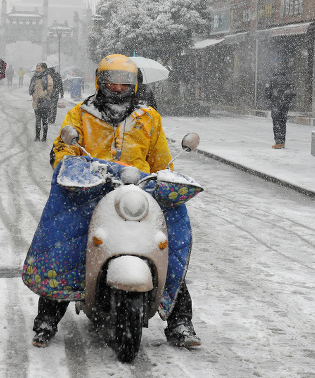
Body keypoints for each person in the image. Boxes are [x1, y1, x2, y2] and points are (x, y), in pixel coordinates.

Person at [31, 54, 201, 349]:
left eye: (126, 84)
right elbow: (62, 153)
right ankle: (47, 317)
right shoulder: (80, 115)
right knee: (65, 239)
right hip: (93, 190)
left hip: (138, 194)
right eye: (113, 83)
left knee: (168, 242)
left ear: (135, 86)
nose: (119, 89)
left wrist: (163, 179)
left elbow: (161, 162)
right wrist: (87, 169)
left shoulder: (149, 117)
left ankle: (180, 320)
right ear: (100, 82)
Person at [265, 67, 296, 149]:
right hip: (285, 105)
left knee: (276, 122)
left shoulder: (272, 80)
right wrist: (286, 99)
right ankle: (282, 141)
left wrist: (272, 98)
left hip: (276, 104)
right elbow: (293, 92)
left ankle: (278, 142)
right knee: (283, 122)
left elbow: (267, 93)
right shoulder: (288, 80)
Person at [29, 62, 54, 142]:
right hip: (36, 100)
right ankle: (37, 137)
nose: (37, 70)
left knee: (44, 120)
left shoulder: (47, 76)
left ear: (43, 68)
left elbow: (50, 86)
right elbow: (31, 86)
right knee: (37, 120)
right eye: (37, 68)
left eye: (39, 68)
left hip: (44, 100)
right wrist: (33, 94)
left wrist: (44, 93)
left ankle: (44, 137)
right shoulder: (34, 77)